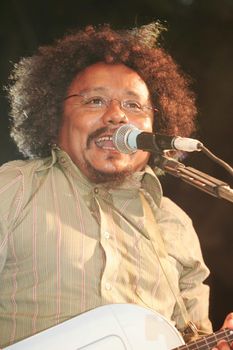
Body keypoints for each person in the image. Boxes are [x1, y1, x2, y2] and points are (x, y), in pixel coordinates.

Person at [0, 23, 232, 349]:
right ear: (55, 120)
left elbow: (194, 336)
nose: (116, 117)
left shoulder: (173, 225)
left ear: (156, 128)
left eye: (133, 105)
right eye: (95, 101)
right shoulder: (13, 189)